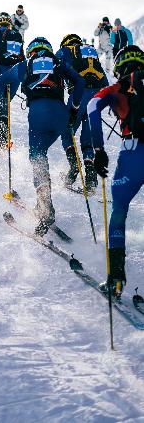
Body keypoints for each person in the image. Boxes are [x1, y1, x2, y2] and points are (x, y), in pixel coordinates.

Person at [88, 45, 144, 298]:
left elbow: (92, 106)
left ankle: (116, 280)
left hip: (133, 154)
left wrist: (98, 149)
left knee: (119, 210)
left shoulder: (119, 87)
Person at [22, 37, 84, 235]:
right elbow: (80, 81)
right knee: (42, 152)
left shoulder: (28, 63)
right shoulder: (58, 63)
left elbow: (2, 80)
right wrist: (73, 108)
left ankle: (45, 207)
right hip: (61, 116)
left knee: (37, 155)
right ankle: (43, 205)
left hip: (39, 113)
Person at [57, 34, 108, 193]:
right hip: (98, 94)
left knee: (66, 132)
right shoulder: (91, 51)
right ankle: (91, 179)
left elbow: (55, 69)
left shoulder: (66, 50)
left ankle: (73, 167)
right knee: (87, 139)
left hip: (80, 93)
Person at [0, 12, 25, 148]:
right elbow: (21, 57)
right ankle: (2, 136)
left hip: (0, 71)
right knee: (5, 103)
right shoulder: (17, 36)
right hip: (15, 75)